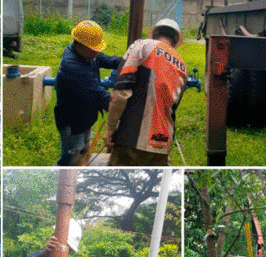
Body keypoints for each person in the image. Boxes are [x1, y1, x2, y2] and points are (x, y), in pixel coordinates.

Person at [103, 19, 188, 166]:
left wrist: (110, 129)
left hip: (132, 139)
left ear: (154, 34)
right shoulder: (182, 65)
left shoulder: (141, 46)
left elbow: (122, 91)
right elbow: (173, 107)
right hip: (162, 144)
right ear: (175, 41)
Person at [54, 21, 121, 166]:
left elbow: (105, 59)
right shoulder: (73, 67)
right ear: (81, 46)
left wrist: (126, 62)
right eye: (94, 49)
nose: (97, 52)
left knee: (84, 149)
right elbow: (100, 97)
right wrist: (122, 107)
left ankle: (80, 165)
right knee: (70, 158)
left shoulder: (83, 53)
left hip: (84, 117)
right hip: (72, 122)